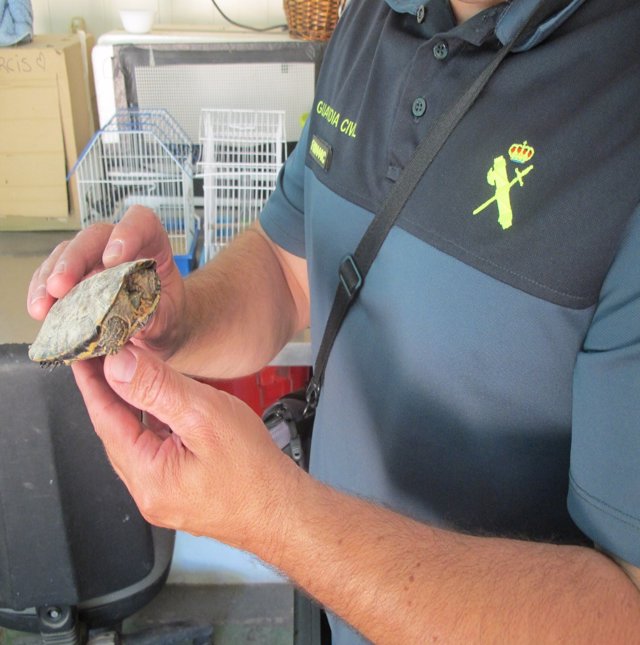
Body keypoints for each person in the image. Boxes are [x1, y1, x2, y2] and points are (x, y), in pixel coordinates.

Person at [28, 0, 640, 642]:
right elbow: (288, 267)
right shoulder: (368, 19)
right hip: (332, 603)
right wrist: (176, 318)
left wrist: (277, 521)